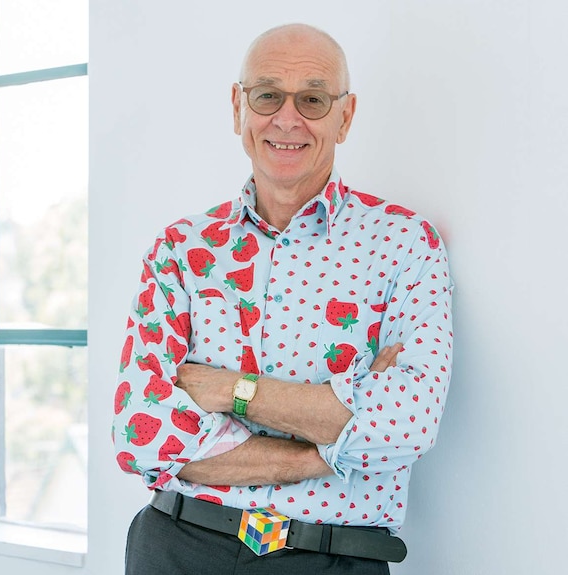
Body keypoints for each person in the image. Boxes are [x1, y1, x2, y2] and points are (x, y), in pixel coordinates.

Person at [111, 23, 453, 575]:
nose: (287, 119)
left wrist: (228, 391)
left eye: (313, 99)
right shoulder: (182, 248)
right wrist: (326, 450)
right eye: (268, 95)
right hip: (178, 544)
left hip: (331, 556)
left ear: (346, 116)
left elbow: (404, 427)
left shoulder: (404, 243)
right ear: (237, 107)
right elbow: (141, 432)